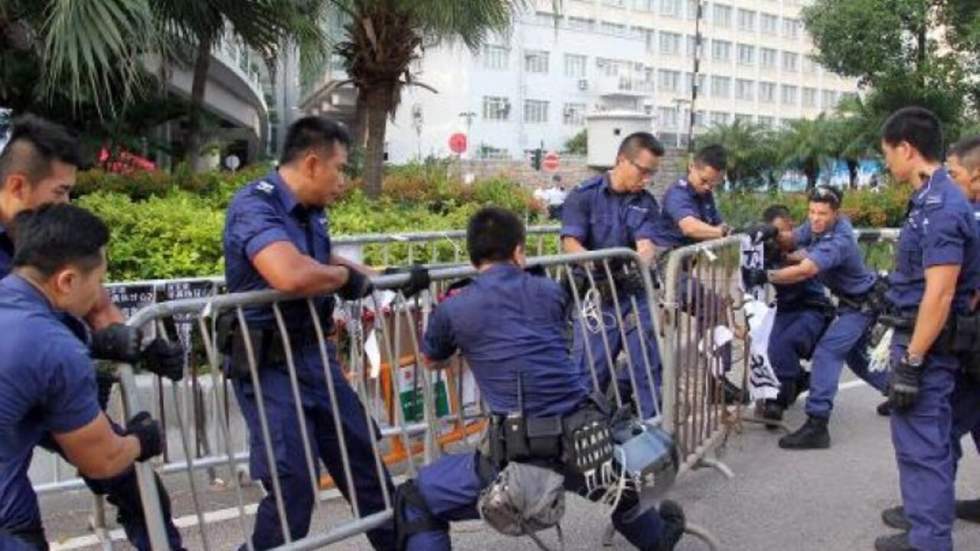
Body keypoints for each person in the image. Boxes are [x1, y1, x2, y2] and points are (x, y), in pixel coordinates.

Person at [395, 206, 686, 551]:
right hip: (585, 438)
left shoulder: (454, 307)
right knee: (620, 489)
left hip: (518, 454)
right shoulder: (548, 291)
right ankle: (657, 538)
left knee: (415, 499)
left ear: (473, 257)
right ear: (519, 250)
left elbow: (431, 360)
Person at [0, 114, 184, 550]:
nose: (66, 204)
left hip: (47, 384)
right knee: (17, 522)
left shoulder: (46, 234)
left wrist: (136, 344)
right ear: (18, 186)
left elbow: (92, 300)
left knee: (137, 487)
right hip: (28, 388)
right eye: (60, 192)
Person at [222, 116, 395, 550]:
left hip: (315, 356)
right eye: (341, 167)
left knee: (364, 465)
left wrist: (376, 275)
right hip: (268, 367)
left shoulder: (312, 212)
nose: (345, 179)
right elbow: (290, 274)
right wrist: (342, 279)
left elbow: (320, 257)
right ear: (313, 163)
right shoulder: (254, 205)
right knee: (293, 489)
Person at [872, 107, 980, 551]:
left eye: (887, 154)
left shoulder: (940, 203)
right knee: (932, 445)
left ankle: (929, 542)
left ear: (906, 149)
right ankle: (924, 533)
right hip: (929, 336)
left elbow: (939, 292)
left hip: (929, 345)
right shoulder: (935, 197)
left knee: (923, 453)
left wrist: (913, 361)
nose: (886, 164)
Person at [744, 186, 889, 449]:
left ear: (836, 213)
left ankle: (817, 424)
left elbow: (805, 270)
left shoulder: (839, 239)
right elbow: (794, 240)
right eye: (811, 211)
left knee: (827, 352)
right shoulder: (817, 226)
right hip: (849, 303)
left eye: (822, 213)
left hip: (862, 306)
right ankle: (903, 395)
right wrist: (772, 232)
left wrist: (767, 275)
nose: (815, 218)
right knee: (858, 361)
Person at [560, 132, 664, 418]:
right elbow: (570, 243)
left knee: (647, 367)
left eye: (652, 173)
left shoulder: (645, 202)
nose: (647, 179)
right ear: (621, 160)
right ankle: (586, 432)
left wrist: (639, 258)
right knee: (591, 372)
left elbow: (646, 244)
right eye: (643, 171)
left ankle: (653, 433)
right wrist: (599, 265)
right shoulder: (584, 195)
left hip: (634, 295)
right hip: (598, 298)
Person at [649, 144, 744, 404]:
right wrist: (724, 232)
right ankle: (641, 394)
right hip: (665, 270)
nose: (708, 187)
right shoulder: (678, 193)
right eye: (704, 181)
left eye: (714, 184)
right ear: (692, 167)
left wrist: (730, 230)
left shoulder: (705, 195)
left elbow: (716, 224)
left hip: (681, 270)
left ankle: (716, 382)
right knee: (660, 335)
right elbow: (690, 227)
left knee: (710, 312)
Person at [755, 205, 833, 422]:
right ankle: (794, 381)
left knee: (786, 343)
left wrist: (776, 264)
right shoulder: (767, 249)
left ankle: (778, 400)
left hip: (812, 307)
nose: (776, 239)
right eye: (772, 234)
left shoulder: (809, 241)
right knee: (767, 345)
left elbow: (800, 267)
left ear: (790, 226)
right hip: (785, 308)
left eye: (779, 233)